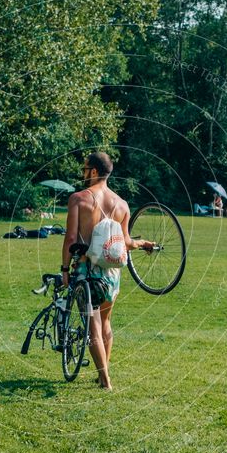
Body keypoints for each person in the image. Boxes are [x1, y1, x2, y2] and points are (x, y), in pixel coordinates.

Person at [62, 152, 153, 390]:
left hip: (87, 270)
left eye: (85, 169)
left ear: (93, 171)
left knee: (92, 325)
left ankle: (105, 380)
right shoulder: (122, 204)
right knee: (105, 323)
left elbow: (71, 238)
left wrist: (64, 269)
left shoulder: (79, 199)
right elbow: (125, 241)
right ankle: (104, 370)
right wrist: (143, 244)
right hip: (112, 273)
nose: (83, 173)